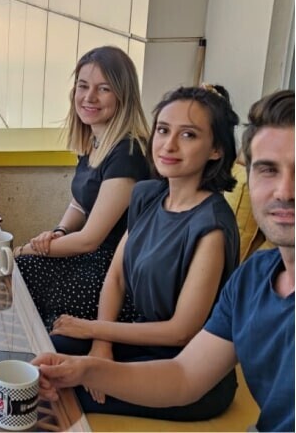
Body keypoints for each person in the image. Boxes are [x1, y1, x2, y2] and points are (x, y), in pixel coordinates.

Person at [34, 90, 294, 432]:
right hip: (169, 358)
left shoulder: (212, 226)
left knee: (51, 398)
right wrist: (92, 358)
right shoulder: (254, 277)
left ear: (216, 149)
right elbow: (183, 373)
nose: (284, 191)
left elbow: (182, 334)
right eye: (268, 170)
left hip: (179, 359)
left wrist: (93, 331)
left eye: (188, 135)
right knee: (46, 359)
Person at [14, 46, 150, 329]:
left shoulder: (127, 153)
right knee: (16, 273)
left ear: (123, 96)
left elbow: (90, 239)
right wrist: (60, 231)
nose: (89, 97)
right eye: (83, 86)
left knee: (19, 268)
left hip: (114, 275)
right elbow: (79, 203)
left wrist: (26, 249)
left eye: (104, 89)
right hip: (91, 260)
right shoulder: (96, 140)